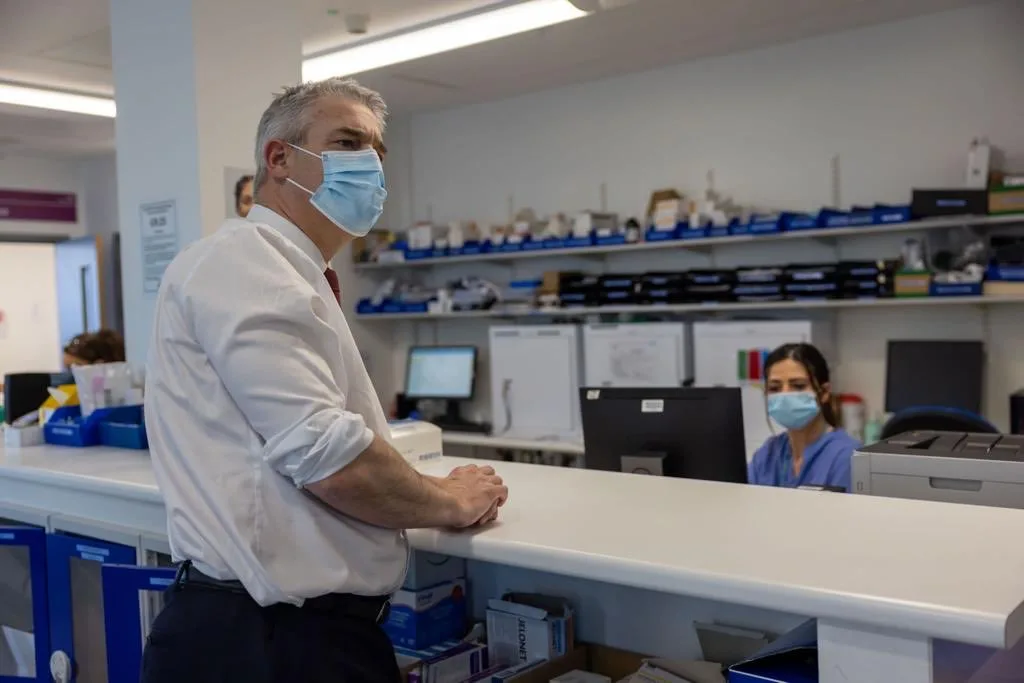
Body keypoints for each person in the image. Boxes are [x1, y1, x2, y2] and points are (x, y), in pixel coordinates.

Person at [142, 77, 508, 683]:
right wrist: (449, 500)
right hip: (269, 644)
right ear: (279, 158)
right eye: (347, 142)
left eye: (377, 154)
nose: (370, 166)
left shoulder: (294, 274)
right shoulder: (244, 261)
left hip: (289, 635)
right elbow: (328, 458)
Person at [747, 342, 860, 491]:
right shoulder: (768, 454)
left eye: (798, 386)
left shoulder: (847, 456)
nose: (785, 395)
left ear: (824, 392)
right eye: (775, 388)